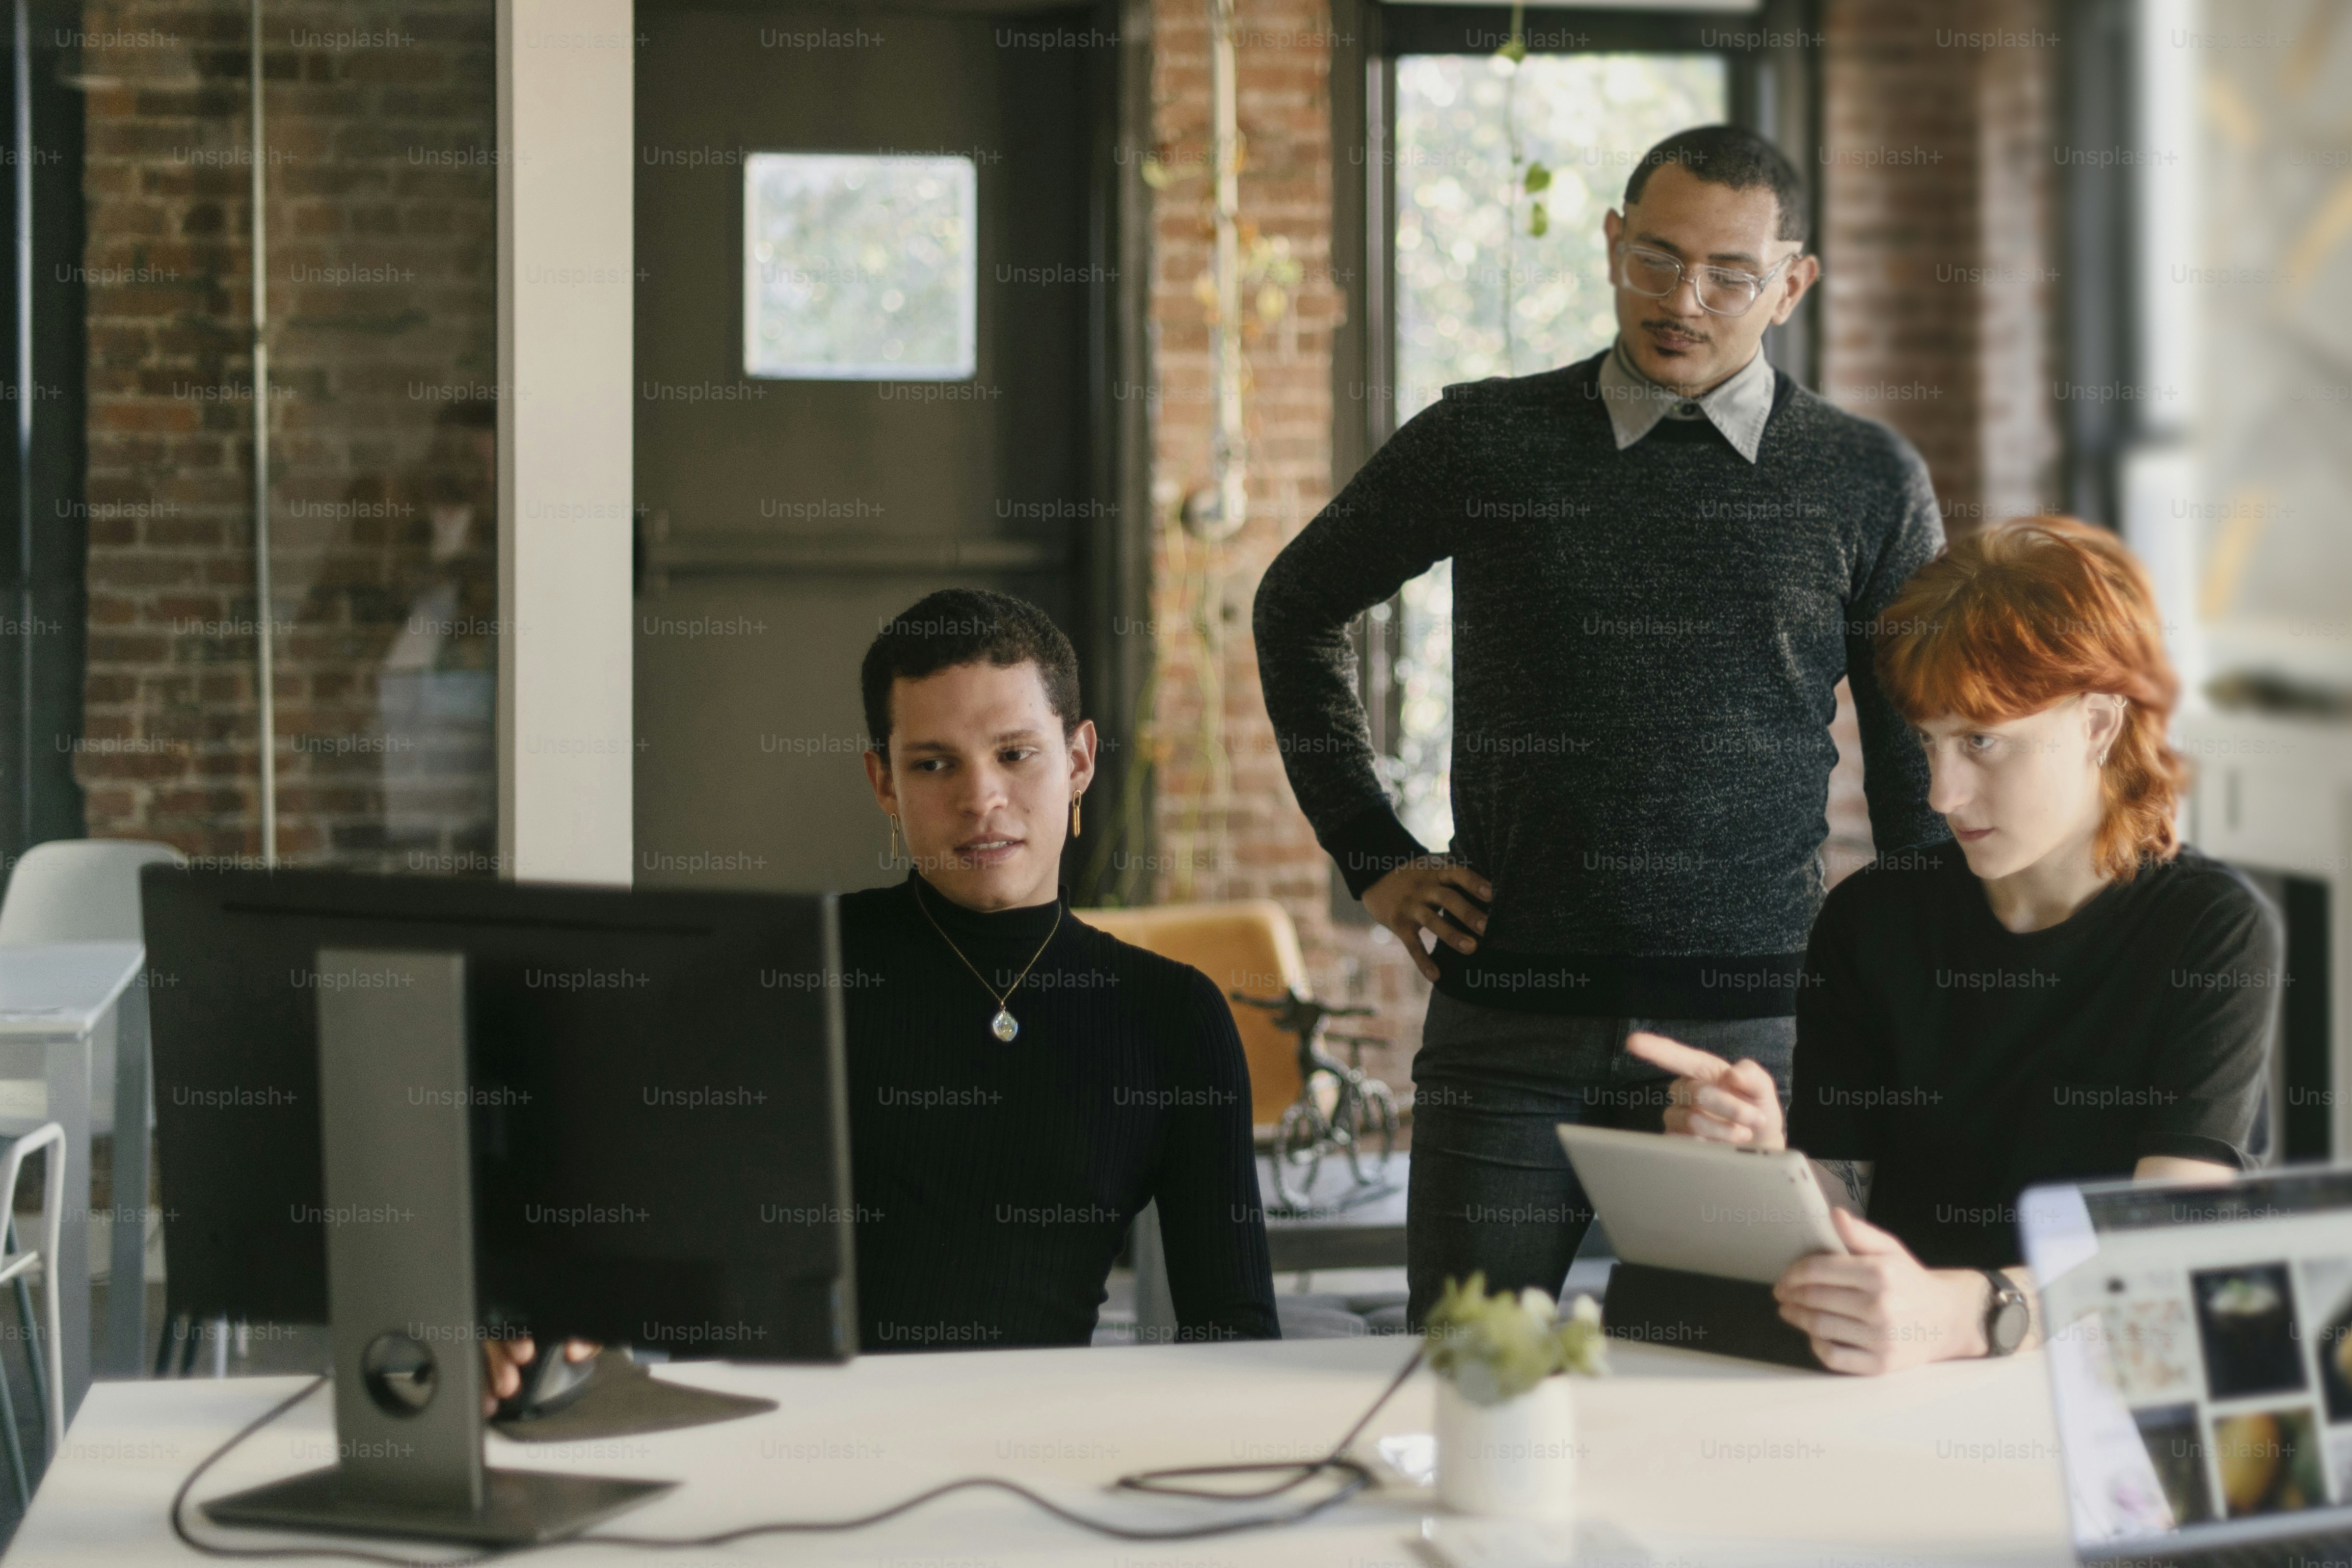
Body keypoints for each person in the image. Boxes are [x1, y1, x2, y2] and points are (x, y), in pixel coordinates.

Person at [1251, 123, 1948, 1324]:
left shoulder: (1866, 478)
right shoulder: (1485, 437)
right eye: (1656, 259)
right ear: (1613, 244)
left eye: (1730, 274)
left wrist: (1897, 1027)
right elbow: (1296, 604)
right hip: (1507, 1027)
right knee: (1469, 1379)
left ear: (1791, 283)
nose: (1685, 300)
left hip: (1750, 1040)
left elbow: (1913, 771)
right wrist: (1372, 852)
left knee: (1741, 1385)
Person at [484, 589, 1275, 1405]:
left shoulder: (1170, 1016)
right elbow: (600, 1222)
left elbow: (1239, 1340)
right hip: (770, 1457)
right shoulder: (786, 975)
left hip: (1029, 1464)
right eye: (935, 764)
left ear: (1078, 761)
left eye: (1015, 754)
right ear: (883, 782)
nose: (980, 799)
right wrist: (517, 1318)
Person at [1633, 516, 2280, 1373]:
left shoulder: (2212, 929)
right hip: (1899, 1375)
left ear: (2096, 724)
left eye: (1982, 741)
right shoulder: (1871, 920)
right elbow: (1844, 1205)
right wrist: (1762, 1171)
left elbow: (2167, 1244)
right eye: (1932, 743)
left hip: (2110, 1375)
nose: (1943, 792)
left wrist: (1976, 1312)